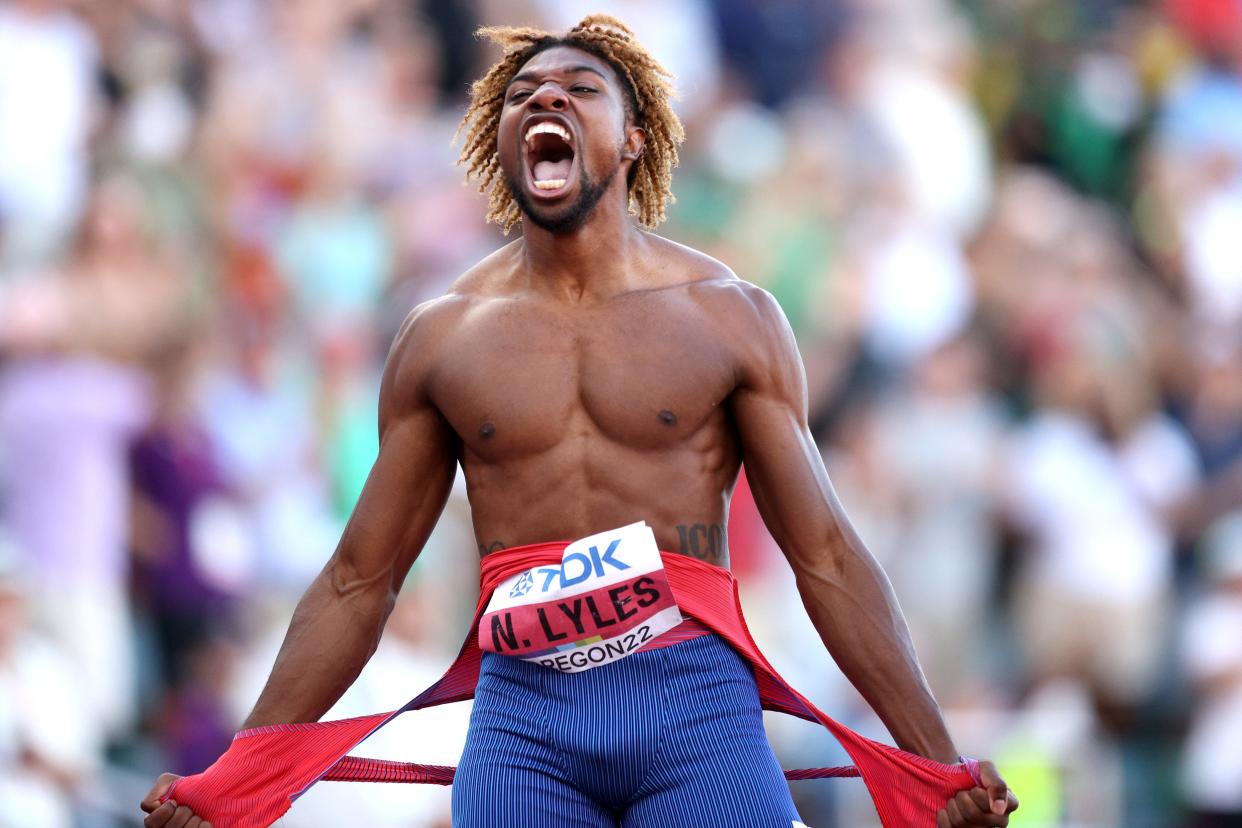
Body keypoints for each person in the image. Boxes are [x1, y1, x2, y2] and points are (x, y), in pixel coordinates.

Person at [142, 15, 1019, 828]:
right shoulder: (442, 337)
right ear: (503, 140)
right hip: (525, 732)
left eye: (580, 89)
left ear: (635, 138)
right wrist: (234, 778)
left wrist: (934, 763)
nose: (546, 98)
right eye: (523, 94)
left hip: (697, 715)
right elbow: (357, 582)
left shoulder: (729, 317)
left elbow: (825, 553)